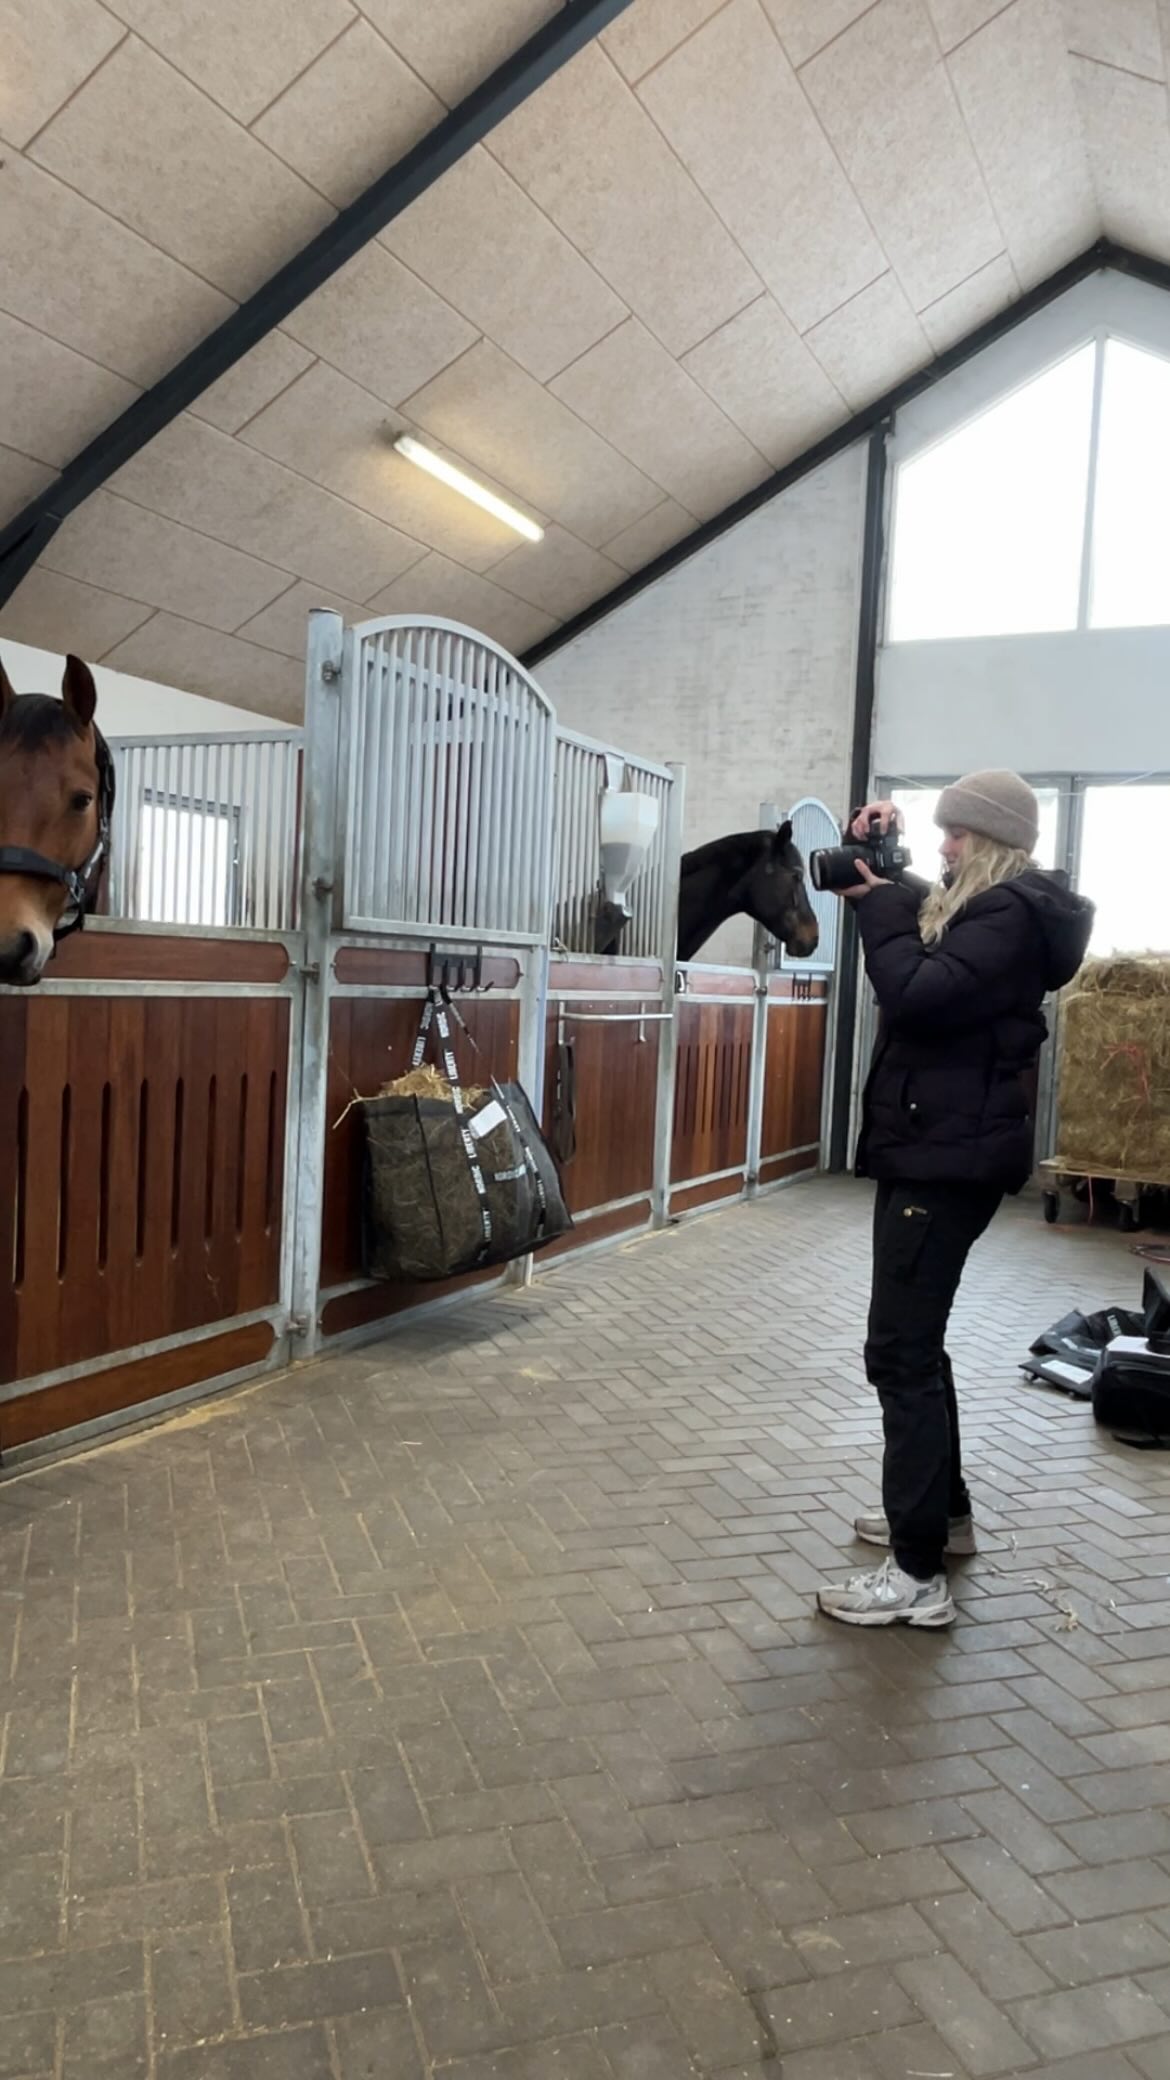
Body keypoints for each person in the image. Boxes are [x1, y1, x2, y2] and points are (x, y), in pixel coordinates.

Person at [817, 770, 1094, 1629]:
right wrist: (879, 861)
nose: (943, 850)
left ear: (994, 842)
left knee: (898, 1353)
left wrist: (874, 908)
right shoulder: (997, 910)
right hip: (937, 1148)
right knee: (919, 1347)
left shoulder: (1006, 918)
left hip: (944, 1161)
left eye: (956, 837)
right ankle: (944, 1521)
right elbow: (935, 925)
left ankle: (915, 1576)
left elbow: (920, 992)